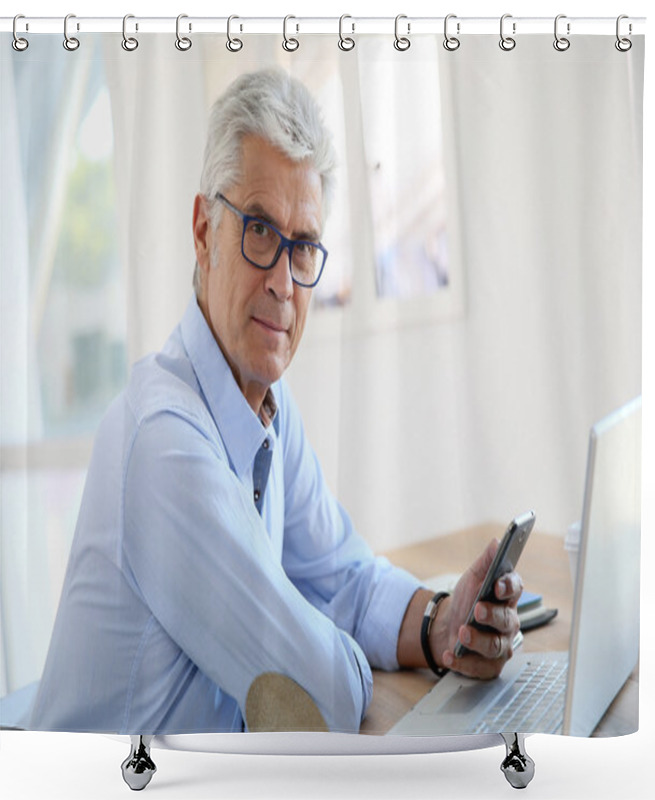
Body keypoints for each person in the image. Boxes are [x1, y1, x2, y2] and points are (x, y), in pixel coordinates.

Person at [29, 68, 522, 735]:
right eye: (260, 231)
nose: (284, 283)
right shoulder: (163, 439)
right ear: (204, 230)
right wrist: (315, 627)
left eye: (306, 247)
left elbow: (343, 577)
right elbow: (322, 698)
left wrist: (441, 624)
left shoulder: (267, 408)